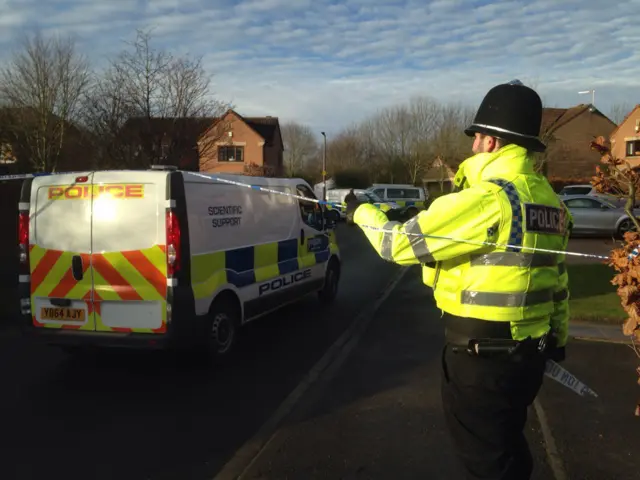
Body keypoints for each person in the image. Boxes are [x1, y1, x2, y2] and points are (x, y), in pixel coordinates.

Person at [353, 80, 571, 480]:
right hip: (529, 354)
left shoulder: (488, 199)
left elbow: (399, 245)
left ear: (493, 142)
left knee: (487, 463)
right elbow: (557, 280)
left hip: (481, 360)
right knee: (506, 448)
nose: (472, 147)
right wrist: (557, 339)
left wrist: (361, 211)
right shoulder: (548, 202)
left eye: (478, 137)